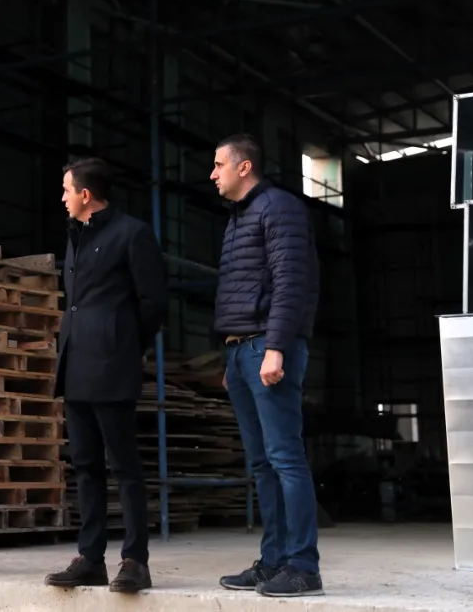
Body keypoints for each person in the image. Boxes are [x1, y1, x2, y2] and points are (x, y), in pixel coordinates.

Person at [44, 157, 167, 595]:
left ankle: (135, 561)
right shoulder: (76, 235)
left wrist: (123, 344)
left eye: (66, 189)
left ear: (85, 194)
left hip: (111, 366)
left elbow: (153, 302)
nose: (62, 197)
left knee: (125, 466)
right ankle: (90, 559)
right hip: (76, 365)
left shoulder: (132, 234)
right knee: (85, 465)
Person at [210, 134, 323, 598]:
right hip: (242, 350)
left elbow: (291, 281)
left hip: (267, 346)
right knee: (262, 463)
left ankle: (303, 566)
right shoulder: (239, 217)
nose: (212, 174)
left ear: (244, 167)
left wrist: (275, 346)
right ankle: (273, 561)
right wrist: (232, 355)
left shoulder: (279, 207)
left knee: (285, 458)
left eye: (219, 165)